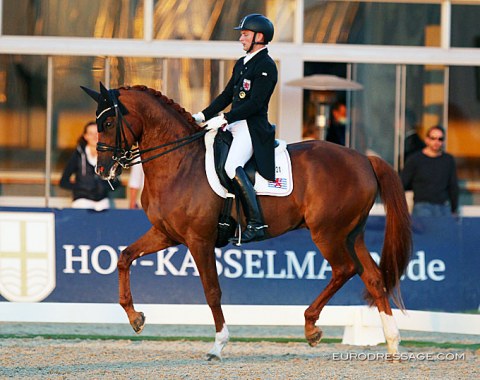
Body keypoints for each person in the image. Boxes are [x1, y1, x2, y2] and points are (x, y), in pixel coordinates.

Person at [191, 14, 277, 243]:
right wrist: (202, 115)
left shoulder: (266, 65)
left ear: (259, 37)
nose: (241, 38)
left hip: (251, 126)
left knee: (231, 167)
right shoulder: (242, 63)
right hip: (234, 124)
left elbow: (255, 103)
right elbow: (227, 95)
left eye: (245, 34)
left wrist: (226, 118)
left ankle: (257, 222)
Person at [401, 125, 459, 217]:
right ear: (427, 139)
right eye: (433, 138)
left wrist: (454, 209)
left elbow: (453, 186)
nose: (436, 142)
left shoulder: (448, 160)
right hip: (422, 207)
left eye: (440, 139)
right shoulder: (415, 159)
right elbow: (403, 183)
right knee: (426, 231)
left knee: (442, 231)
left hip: (443, 207)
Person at [60, 121, 115, 211]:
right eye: (91, 133)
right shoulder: (78, 155)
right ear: (85, 136)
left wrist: (103, 186)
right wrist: (81, 187)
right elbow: (63, 181)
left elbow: (115, 182)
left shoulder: (108, 155)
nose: (94, 137)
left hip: (102, 201)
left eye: (97, 133)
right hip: (82, 200)